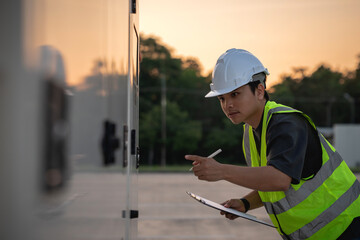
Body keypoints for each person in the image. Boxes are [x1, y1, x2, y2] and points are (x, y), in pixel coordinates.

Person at [185, 48, 360, 240]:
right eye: (222, 98)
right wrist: (245, 203)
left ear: (259, 91)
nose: (228, 105)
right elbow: (273, 185)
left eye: (235, 94)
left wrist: (222, 171)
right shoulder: (250, 132)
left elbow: (279, 179)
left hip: (347, 227)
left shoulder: (286, 124)